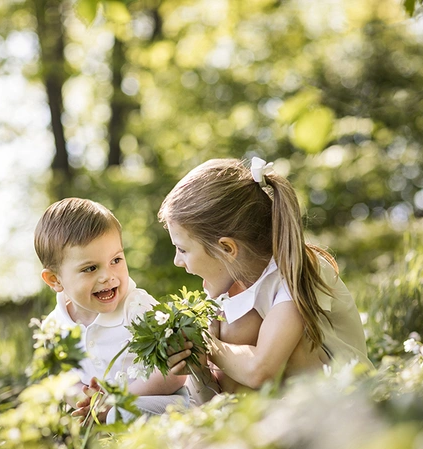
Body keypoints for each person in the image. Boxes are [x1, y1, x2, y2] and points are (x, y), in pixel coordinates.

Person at [158, 157, 373, 403]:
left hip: (348, 401)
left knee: (242, 332)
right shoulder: (231, 290)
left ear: (227, 249)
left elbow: (261, 370)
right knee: (232, 333)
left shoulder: (297, 268)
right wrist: (197, 364)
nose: (177, 260)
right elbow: (211, 400)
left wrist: (207, 345)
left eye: (183, 250)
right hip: (277, 411)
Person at [34, 197, 188, 422]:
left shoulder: (137, 308)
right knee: (66, 422)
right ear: (55, 280)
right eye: (90, 268)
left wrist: (117, 402)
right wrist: (88, 401)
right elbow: (65, 381)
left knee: (123, 413)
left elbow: (175, 374)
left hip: (158, 401)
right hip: (103, 411)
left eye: (116, 260)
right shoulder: (54, 328)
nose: (107, 276)